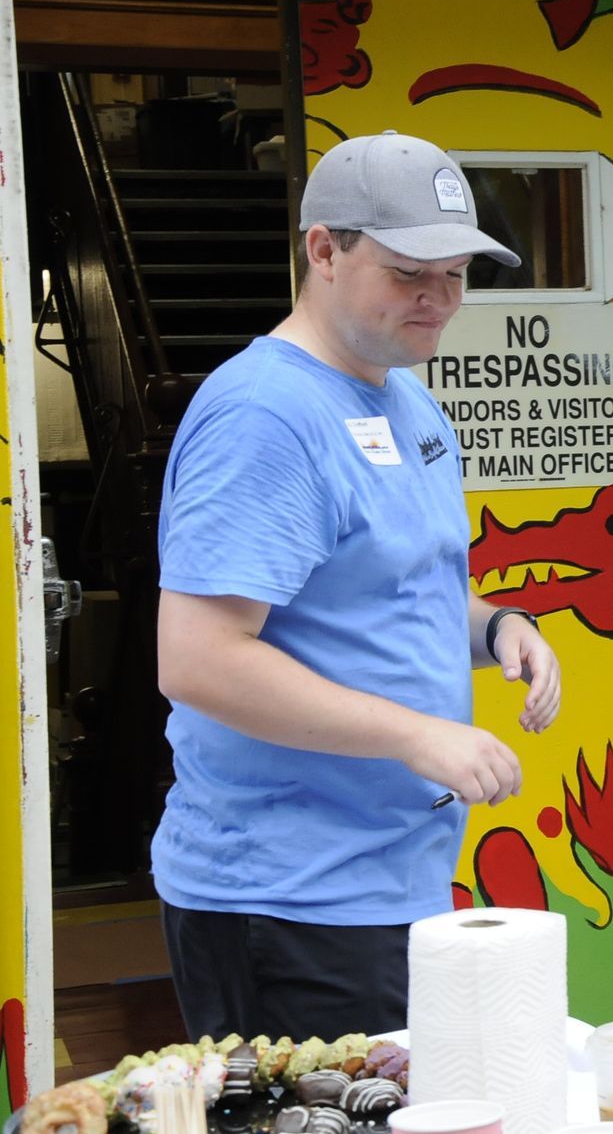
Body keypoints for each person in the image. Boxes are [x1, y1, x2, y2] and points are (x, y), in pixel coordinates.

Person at [152, 131, 563, 1039]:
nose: (440, 299)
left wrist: (500, 630)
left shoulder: (402, 395)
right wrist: (418, 735)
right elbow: (198, 660)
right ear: (324, 251)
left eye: (456, 273)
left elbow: (385, 591)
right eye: (411, 270)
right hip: (284, 896)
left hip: (388, 880)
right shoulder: (265, 414)